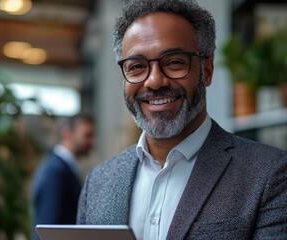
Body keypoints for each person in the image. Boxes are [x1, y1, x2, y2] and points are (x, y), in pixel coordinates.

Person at [77, 0, 287, 239]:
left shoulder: (270, 174)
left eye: (175, 62)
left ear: (206, 71)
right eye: (136, 66)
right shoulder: (98, 183)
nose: (154, 81)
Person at [31, 113, 95, 239]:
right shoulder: (56, 172)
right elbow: (49, 229)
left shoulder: (62, 167)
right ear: (67, 134)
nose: (92, 142)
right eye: (87, 135)